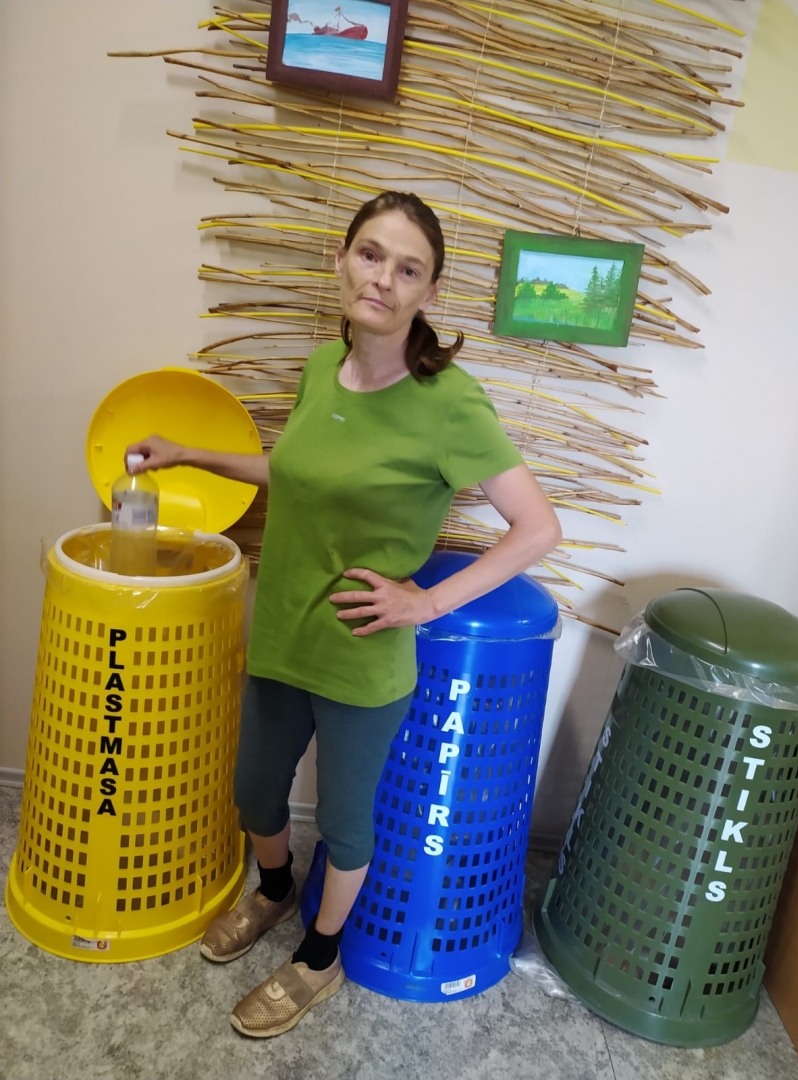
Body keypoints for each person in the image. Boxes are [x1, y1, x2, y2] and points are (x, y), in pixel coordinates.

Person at [126, 191, 562, 1038]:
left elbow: (537, 528)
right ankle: (274, 891)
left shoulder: (450, 403)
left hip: (363, 656)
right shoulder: (324, 365)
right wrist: (189, 455)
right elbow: (296, 471)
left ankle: (319, 958)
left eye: (409, 269)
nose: (384, 279)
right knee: (255, 793)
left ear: (429, 292)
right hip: (282, 631)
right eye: (371, 254)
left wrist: (426, 601)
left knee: (345, 822)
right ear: (342, 260)